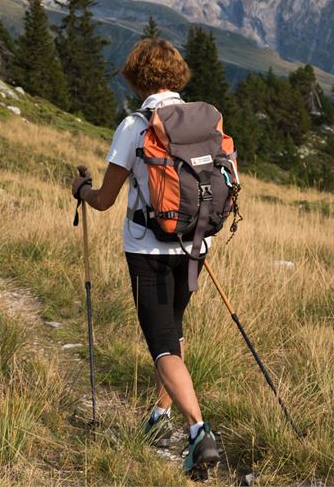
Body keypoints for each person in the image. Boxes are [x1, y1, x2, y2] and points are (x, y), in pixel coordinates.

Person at [71, 37, 224, 477]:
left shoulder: (135, 125)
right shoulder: (203, 120)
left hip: (148, 249)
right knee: (173, 330)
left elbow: (103, 199)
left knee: (160, 344)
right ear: (177, 75)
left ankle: (198, 431)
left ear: (138, 78)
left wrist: (80, 190)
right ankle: (159, 416)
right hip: (196, 244)